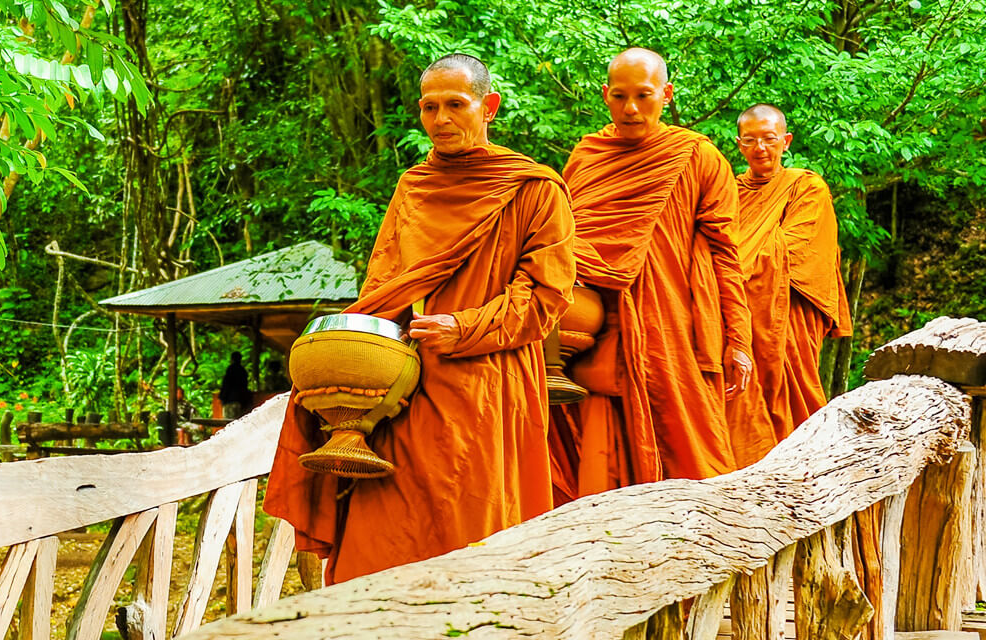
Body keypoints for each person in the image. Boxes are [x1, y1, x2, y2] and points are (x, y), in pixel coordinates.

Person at [264, 53, 575, 584]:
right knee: (383, 534)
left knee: (471, 527)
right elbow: (383, 287)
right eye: (430, 107)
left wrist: (466, 327)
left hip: (488, 385)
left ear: (488, 107)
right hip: (404, 387)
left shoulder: (535, 188)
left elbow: (546, 296)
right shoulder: (414, 185)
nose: (441, 119)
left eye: (456, 105)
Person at [556, 48, 754, 499]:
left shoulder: (696, 156)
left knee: (695, 466)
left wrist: (737, 340)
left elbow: (726, 253)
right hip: (597, 330)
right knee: (596, 465)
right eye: (620, 96)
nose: (631, 109)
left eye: (643, 96)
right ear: (605, 96)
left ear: (665, 94)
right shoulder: (587, 156)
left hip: (672, 334)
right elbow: (562, 244)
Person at [725, 104, 852, 465]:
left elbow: (801, 248)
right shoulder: (728, 192)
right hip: (736, 314)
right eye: (750, 140)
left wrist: (732, 275)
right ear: (739, 145)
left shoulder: (806, 187)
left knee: (793, 411)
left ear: (786, 141)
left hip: (787, 315)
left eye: (769, 139)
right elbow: (710, 246)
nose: (761, 148)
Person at [218, 352, 252, 419]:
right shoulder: (243, 371)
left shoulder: (230, 369)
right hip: (240, 401)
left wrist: (222, 397)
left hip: (230, 400)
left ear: (232, 359)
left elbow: (227, 384)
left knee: (228, 423)